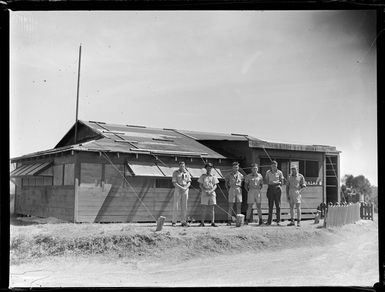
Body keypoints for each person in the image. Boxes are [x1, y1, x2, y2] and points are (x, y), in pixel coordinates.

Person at [198, 162, 219, 227]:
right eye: (208, 167)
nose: (209, 169)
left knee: (212, 208)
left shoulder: (213, 176)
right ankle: (202, 222)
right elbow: (200, 185)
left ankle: (212, 222)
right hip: (205, 192)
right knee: (203, 207)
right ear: (206, 168)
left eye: (210, 167)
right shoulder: (203, 176)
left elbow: (215, 185)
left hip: (212, 192)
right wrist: (205, 191)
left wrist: (211, 191)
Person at [171, 161, 191, 227]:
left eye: (183, 166)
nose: (182, 167)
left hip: (185, 189)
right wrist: (181, 187)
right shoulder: (175, 173)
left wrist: (185, 188)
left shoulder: (187, 173)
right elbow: (174, 182)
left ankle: (183, 221)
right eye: (181, 166)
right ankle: (174, 221)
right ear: (179, 166)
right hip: (178, 188)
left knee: (184, 205)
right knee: (176, 205)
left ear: (185, 166)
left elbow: (189, 182)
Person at [264, 160, 284, 226]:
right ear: (271, 166)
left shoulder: (280, 172)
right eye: (273, 166)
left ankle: (278, 221)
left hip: (277, 189)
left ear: (277, 166)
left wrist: (276, 183)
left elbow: (282, 182)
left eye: (275, 166)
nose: (274, 167)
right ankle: (269, 221)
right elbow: (266, 181)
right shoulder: (268, 172)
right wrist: (274, 183)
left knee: (278, 206)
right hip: (270, 189)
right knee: (270, 205)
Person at [225, 162, 244, 226]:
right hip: (232, 188)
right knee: (231, 205)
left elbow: (244, 181)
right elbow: (226, 183)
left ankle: (239, 221)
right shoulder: (229, 175)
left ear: (238, 168)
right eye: (234, 167)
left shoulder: (241, 175)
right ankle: (229, 220)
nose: (235, 168)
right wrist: (229, 190)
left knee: (239, 205)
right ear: (232, 168)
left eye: (237, 167)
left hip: (238, 189)